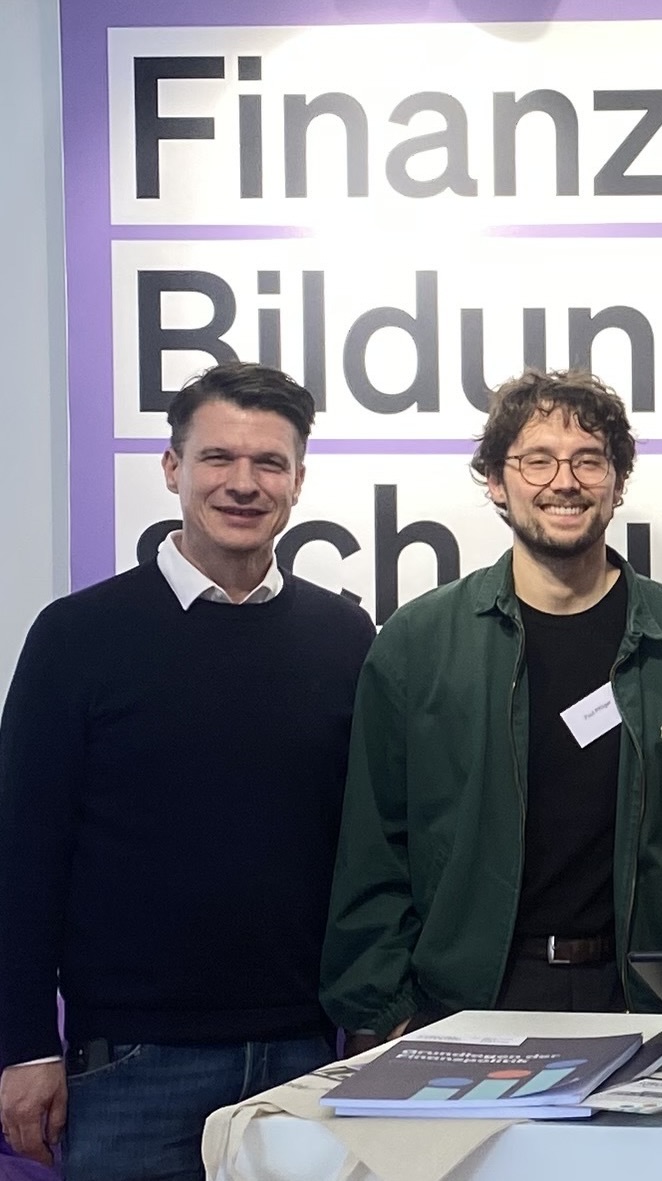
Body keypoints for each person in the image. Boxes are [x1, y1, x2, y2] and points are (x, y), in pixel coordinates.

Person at [0, 363, 375, 1180]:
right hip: (131, 1067)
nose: (243, 483)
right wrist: (23, 1045)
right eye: (217, 458)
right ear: (173, 468)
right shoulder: (76, 636)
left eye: (269, 462)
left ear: (298, 480)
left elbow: (369, 848)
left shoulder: (346, 638)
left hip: (308, 1060)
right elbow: (21, 852)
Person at [321, 369, 662, 1049]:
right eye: (537, 460)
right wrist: (393, 1015)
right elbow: (372, 848)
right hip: (464, 1007)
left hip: (643, 1003)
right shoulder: (418, 643)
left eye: (589, 460)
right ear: (497, 480)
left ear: (618, 482)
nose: (565, 481)